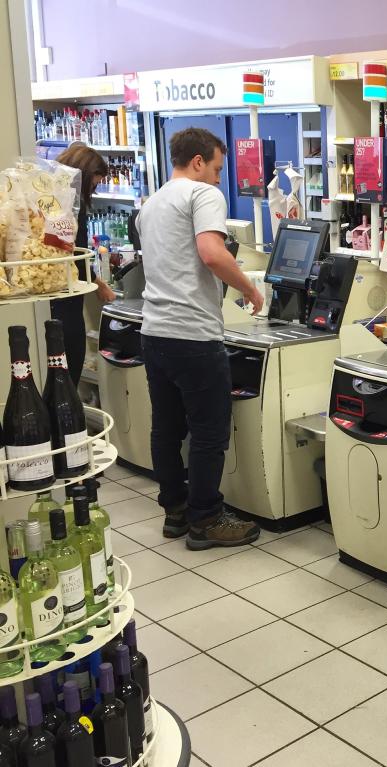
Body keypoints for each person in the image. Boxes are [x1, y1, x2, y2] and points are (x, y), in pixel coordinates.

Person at [137, 127, 265, 549]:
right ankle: (206, 519)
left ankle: (176, 512)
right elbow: (211, 253)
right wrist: (248, 288)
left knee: (166, 429)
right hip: (193, 333)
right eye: (215, 168)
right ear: (197, 163)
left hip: (154, 332)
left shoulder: (151, 204)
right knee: (210, 431)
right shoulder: (202, 195)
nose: (217, 178)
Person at [52, 143, 118, 385]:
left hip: (52, 300)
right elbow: (75, 257)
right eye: (95, 183)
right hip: (66, 305)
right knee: (69, 373)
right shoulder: (72, 204)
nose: (94, 189)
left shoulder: (51, 197)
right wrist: (101, 285)